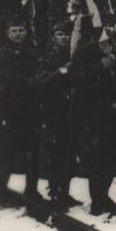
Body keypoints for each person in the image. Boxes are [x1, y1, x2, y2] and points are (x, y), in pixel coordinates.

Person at [70, 28, 116, 217]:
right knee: (96, 161)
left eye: (110, 42)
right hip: (91, 118)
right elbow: (79, 82)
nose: (108, 45)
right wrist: (101, 67)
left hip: (111, 116)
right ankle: (97, 200)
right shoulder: (83, 56)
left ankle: (103, 195)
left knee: (109, 160)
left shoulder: (115, 55)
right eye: (104, 42)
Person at [35, 20, 81, 210]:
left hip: (71, 111)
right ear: (53, 38)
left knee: (68, 153)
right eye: (60, 34)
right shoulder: (47, 59)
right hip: (54, 112)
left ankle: (64, 191)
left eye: (67, 34)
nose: (64, 38)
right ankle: (55, 192)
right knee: (56, 153)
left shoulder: (75, 56)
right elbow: (41, 82)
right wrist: (61, 71)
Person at [0, 17, 40, 205]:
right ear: (7, 33)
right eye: (14, 30)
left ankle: (31, 190)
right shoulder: (0, 55)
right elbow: (4, 80)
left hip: (30, 109)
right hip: (9, 110)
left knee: (33, 152)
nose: (17, 34)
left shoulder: (32, 53)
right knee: (7, 152)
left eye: (21, 30)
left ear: (27, 32)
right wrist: (30, 82)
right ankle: (1, 192)